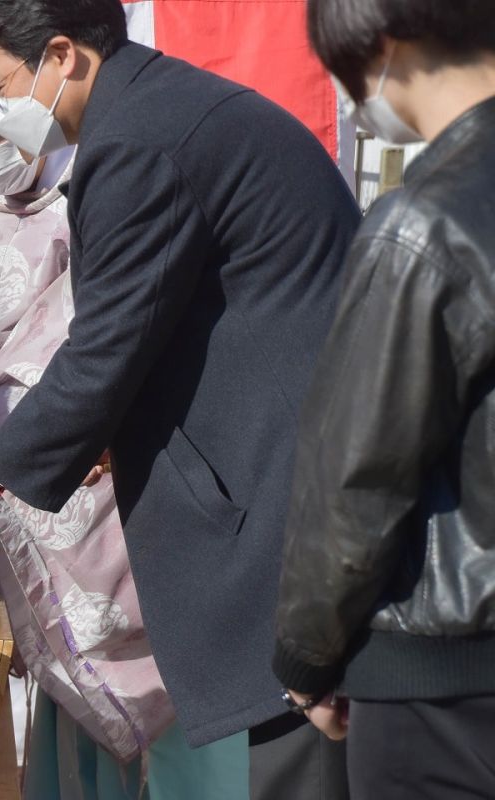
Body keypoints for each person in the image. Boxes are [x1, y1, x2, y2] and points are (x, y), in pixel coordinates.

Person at [0, 1, 362, 796]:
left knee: (292, 747)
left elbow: (103, 353)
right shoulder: (160, 111)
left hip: (274, 488)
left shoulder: (136, 146)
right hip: (270, 453)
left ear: (62, 57)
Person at [0, 6, 248, 796]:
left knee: (176, 687)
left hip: (106, 482)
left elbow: (89, 359)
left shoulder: (109, 172)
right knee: (71, 700)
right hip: (20, 473)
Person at [272, 2, 495, 797]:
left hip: (443, 681)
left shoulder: (422, 225)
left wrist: (307, 659)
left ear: (383, 44)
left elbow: (358, 475)